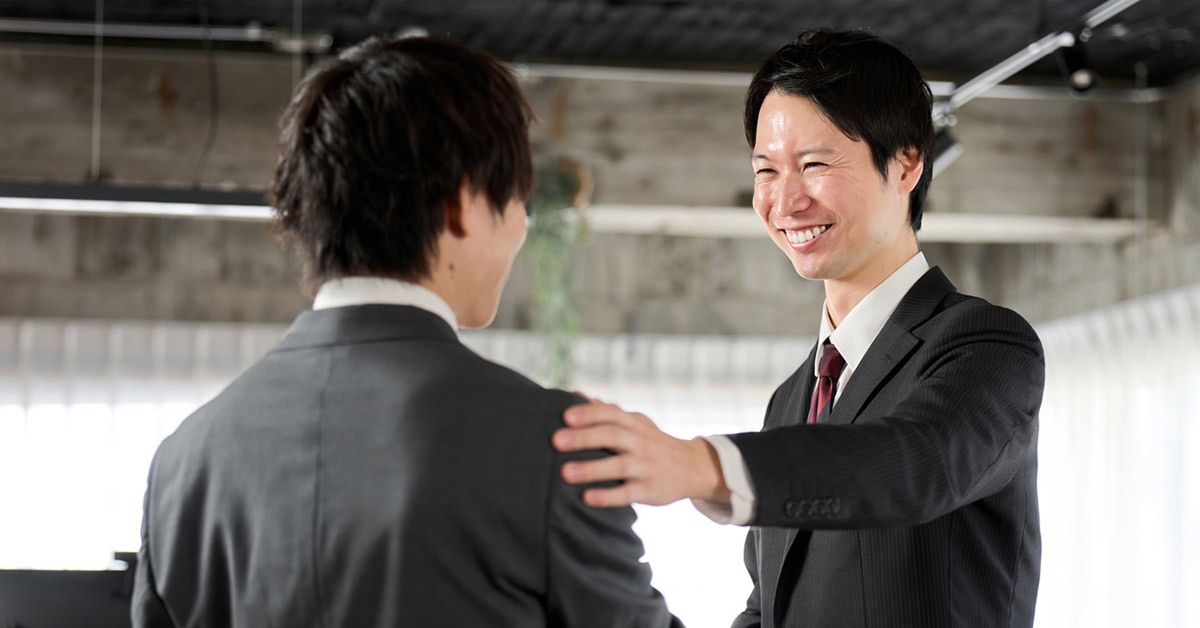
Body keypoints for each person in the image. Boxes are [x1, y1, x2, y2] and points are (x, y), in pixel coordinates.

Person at [131, 35, 681, 628]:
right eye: (519, 200)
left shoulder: (183, 463)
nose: (522, 225)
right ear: (462, 204)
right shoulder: (559, 449)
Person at [553, 29, 1044, 628]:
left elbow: (916, 464)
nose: (785, 203)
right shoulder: (791, 399)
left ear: (909, 162)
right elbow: (770, 613)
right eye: (767, 170)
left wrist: (701, 465)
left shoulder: (985, 345)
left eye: (814, 165)